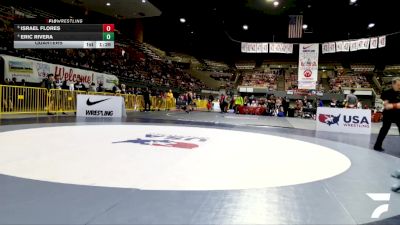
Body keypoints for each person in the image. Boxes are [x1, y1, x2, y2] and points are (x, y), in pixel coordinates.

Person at [373, 78, 400, 151]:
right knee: (384, 130)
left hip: (398, 115)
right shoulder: (386, 92)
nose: (399, 86)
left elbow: (390, 105)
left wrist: (393, 105)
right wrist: (395, 105)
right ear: (393, 84)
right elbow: (386, 105)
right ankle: (377, 146)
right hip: (388, 114)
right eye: (398, 84)